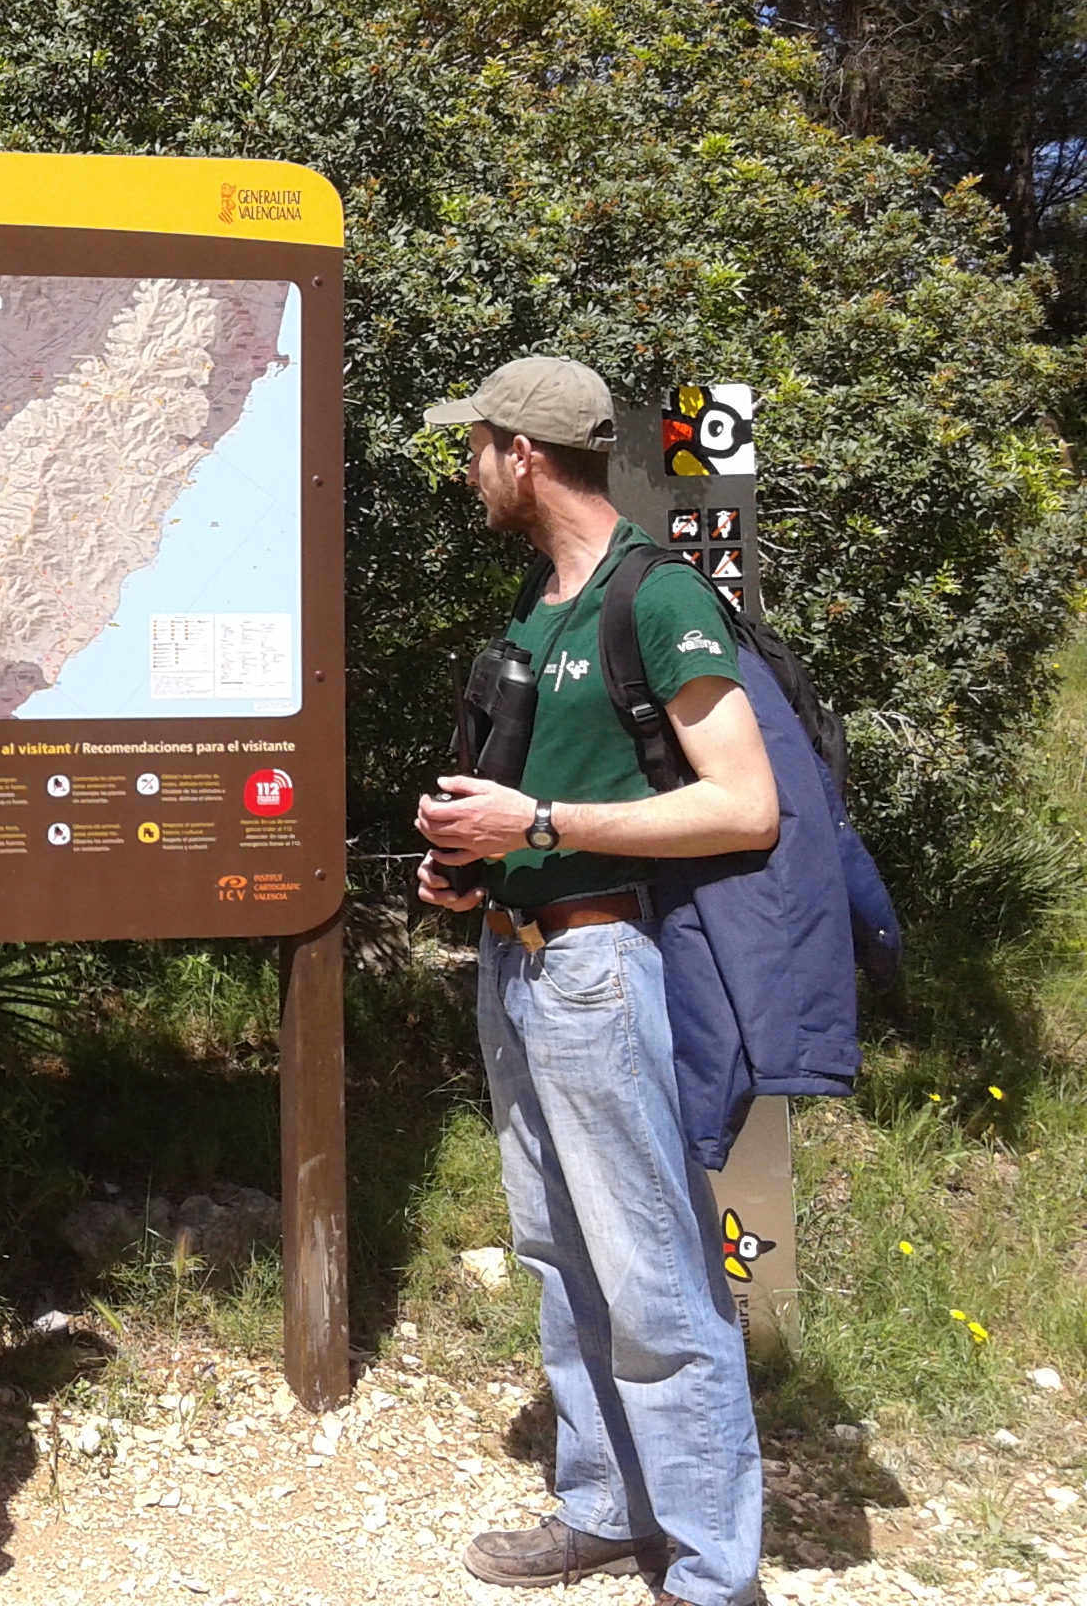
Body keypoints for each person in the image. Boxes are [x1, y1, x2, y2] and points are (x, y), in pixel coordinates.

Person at [413, 357, 776, 1606]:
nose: (467, 472)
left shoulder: (657, 596)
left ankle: (713, 1569)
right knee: (561, 1258)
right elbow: (530, 814)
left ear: (523, 453)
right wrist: (473, 864)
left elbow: (743, 803)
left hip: (599, 970)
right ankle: (605, 1508)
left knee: (654, 1274)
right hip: (515, 967)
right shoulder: (540, 601)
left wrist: (543, 822)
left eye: (474, 449)